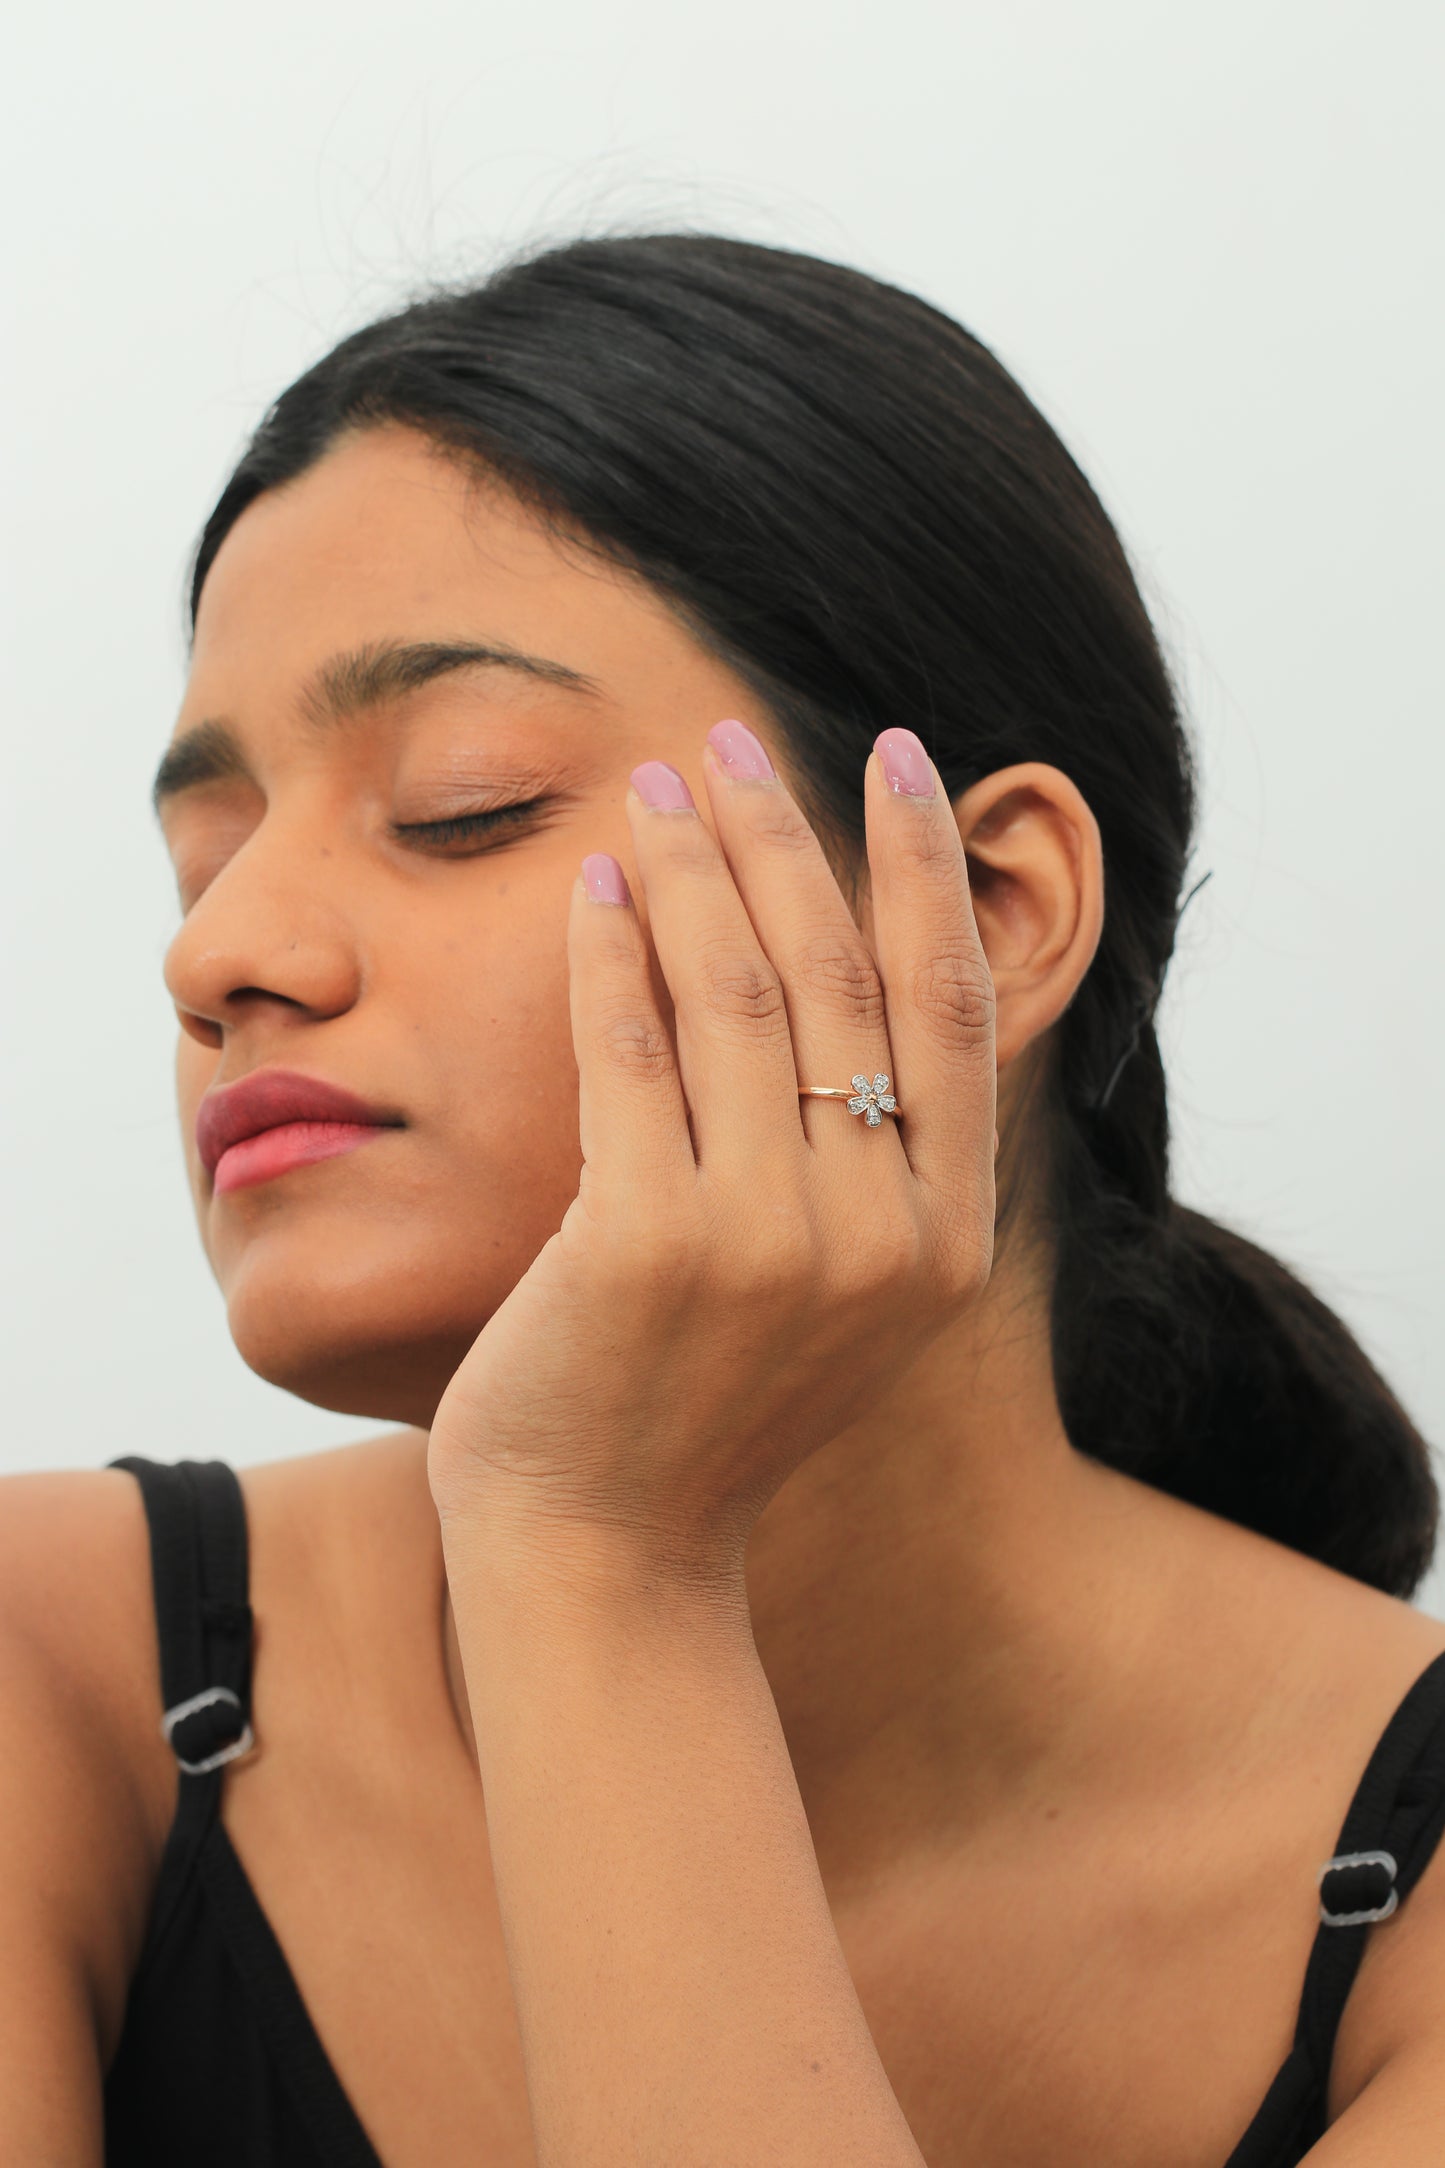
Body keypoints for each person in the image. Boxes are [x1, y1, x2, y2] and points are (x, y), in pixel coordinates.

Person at [2, 233, 1442, 2168]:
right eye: (205, 855)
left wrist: (598, 1558)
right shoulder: (51, 1678)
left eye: (463, 801)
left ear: (987, 913)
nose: (225, 952)